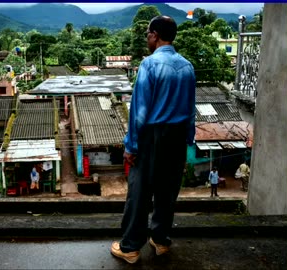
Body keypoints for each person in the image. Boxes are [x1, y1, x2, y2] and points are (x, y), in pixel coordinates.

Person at [110, 16, 196, 264]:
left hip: (152, 136)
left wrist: (131, 146)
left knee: (139, 192)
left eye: (148, 33)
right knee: (168, 191)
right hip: (178, 136)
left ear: (155, 35)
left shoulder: (149, 65)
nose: (147, 37)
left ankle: (130, 248)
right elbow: (191, 109)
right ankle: (160, 240)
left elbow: (139, 111)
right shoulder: (187, 67)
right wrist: (187, 140)